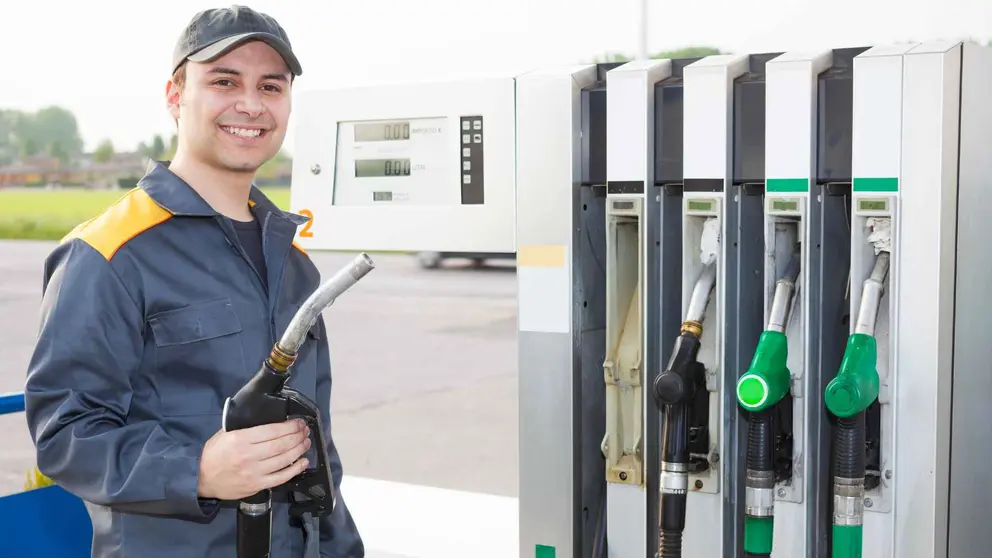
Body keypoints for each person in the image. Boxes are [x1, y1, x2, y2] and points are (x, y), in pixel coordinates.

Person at [22, 5, 364, 557]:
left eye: (270, 86)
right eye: (224, 81)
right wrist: (196, 470)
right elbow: (64, 436)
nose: (250, 104)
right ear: (176, 96)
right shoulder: (109, 253)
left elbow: (315, 447)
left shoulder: (295, 265)